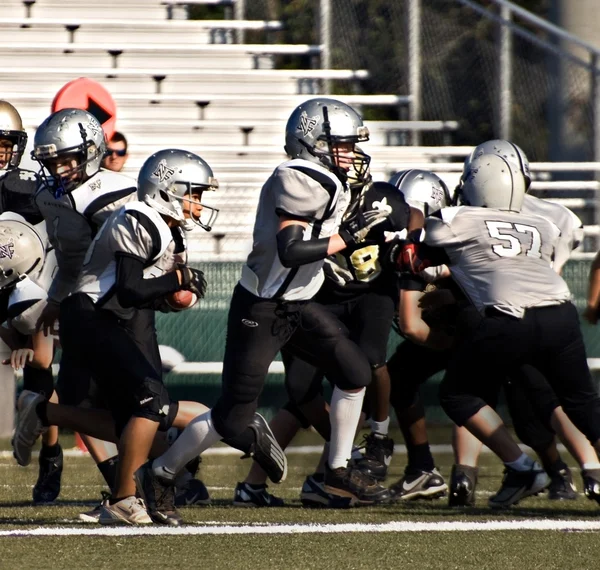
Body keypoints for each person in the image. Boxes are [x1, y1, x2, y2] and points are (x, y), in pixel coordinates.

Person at [134, 98, 393, 523]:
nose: (351, 153)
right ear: (314, 144)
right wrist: (348, 236)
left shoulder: (326, 178)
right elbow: (292, 251)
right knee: (232, 416)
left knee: (355, 372)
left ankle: (339, 470)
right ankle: (160, 474)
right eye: (342, 144)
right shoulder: (297, 177)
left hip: (297, 304)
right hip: (262, 308)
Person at [401, 153, 600, 508]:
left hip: (508, 318)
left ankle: (523, 467)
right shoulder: (538, 223)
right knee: (582, 404)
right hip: (560, 313)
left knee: (458, 395)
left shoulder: (457, 217)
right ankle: (588, 470)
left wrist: (412, 243)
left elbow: (420, 247)